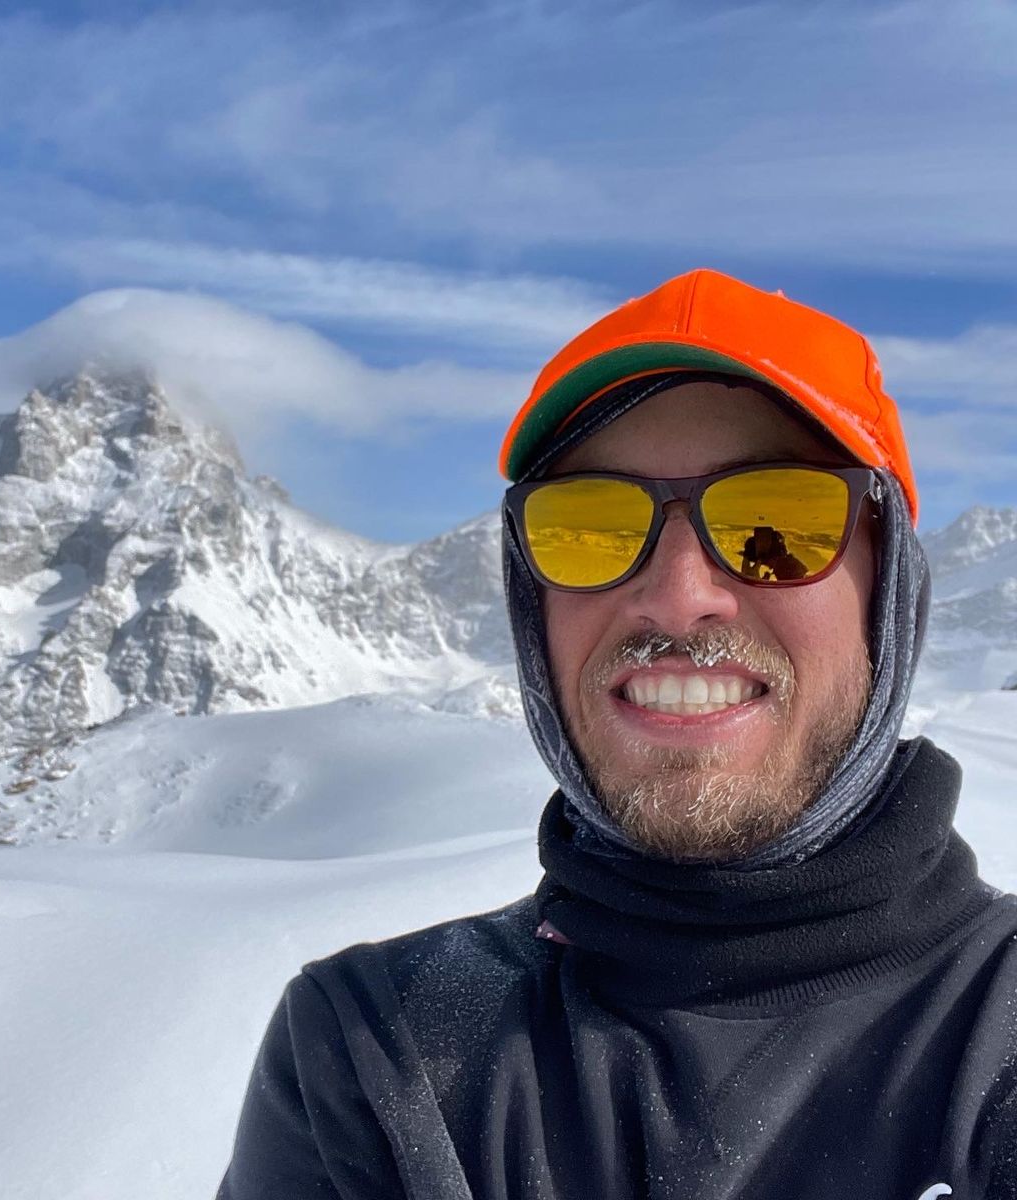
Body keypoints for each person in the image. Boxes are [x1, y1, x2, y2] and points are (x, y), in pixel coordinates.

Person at [217, 269, 1017, 1199]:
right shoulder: (374, 1056)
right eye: (590, 525)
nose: (678, 593)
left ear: (890, 594)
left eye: (780, 521)